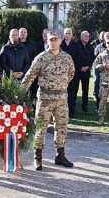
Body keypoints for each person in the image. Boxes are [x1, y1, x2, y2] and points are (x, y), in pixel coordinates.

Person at [21, 30, 75, 171]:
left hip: (62, 98)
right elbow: (30, 76)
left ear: (61, 40)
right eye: (51, 39)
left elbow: (71, 73)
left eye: (56, 39)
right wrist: (19, 93)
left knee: (62, 127)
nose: (53, 42)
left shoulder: (67, 58)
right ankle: (37, 157)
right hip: (45, 98)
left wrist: (61, 85)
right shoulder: (41, 57)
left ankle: (60, 156)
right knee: (41, 127)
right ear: (47, 40)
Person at [60, 28, 80, 117]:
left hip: (72, 73)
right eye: (66, 33)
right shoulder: (60, 44)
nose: (67, 35)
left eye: (69, 33)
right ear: (63, 34)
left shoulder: (76, 45)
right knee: (61, 93)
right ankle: (61, 112)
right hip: (61, 74)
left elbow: (78, 57)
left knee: (72, 93)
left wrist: (70, 66)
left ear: (72, 35)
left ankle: (71, 112)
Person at [78, 31, 95, 112]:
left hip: (86, 71)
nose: (87, 37)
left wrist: (87, 66)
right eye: (85, 36)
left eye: (88, 36)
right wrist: (80, 67)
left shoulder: (90, 46)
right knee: (74, 90)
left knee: (85, 90)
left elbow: (92, 58)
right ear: (81, 37)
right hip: (77, 71)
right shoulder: (76, 45)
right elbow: (74, 57)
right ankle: (72, 107)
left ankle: (85, 107)